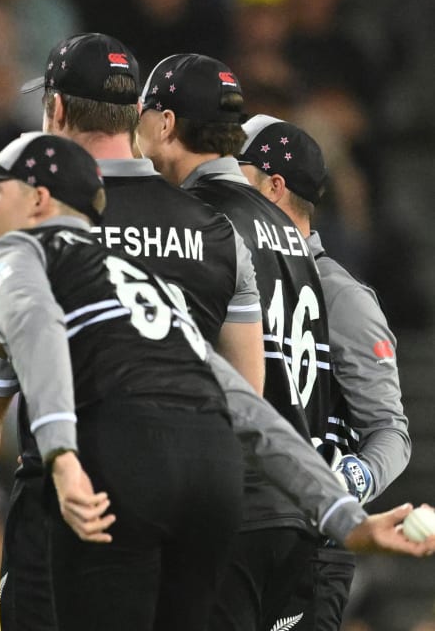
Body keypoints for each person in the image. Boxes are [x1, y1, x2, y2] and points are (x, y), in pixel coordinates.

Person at [0, 131, 435, 631]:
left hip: (122, 469)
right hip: (212, 481)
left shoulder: (13, 253)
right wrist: (344, 516)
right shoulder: (150, 288)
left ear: (38, 201)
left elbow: (41, 331)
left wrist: (61, 456)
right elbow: (243, 405)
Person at [0, 33, 264, 630]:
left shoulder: (37, 223)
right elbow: (247, 395)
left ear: (54, 112)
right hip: (198, 491)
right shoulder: (215, 230)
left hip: (77, 500)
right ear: (135, 117)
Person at [134, 53, 333, 630]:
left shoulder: (195, 222)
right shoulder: (287, 230)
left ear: (165, 123)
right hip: (294, 509)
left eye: (144, 114)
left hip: (231, 507)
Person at [238, 115, 412, 630]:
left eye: (237, 174)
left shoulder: (341, 296)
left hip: (308, 553)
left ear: (273, 187)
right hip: (234, 532)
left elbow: (390, 431)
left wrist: (345, 481)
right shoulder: (227, 280)